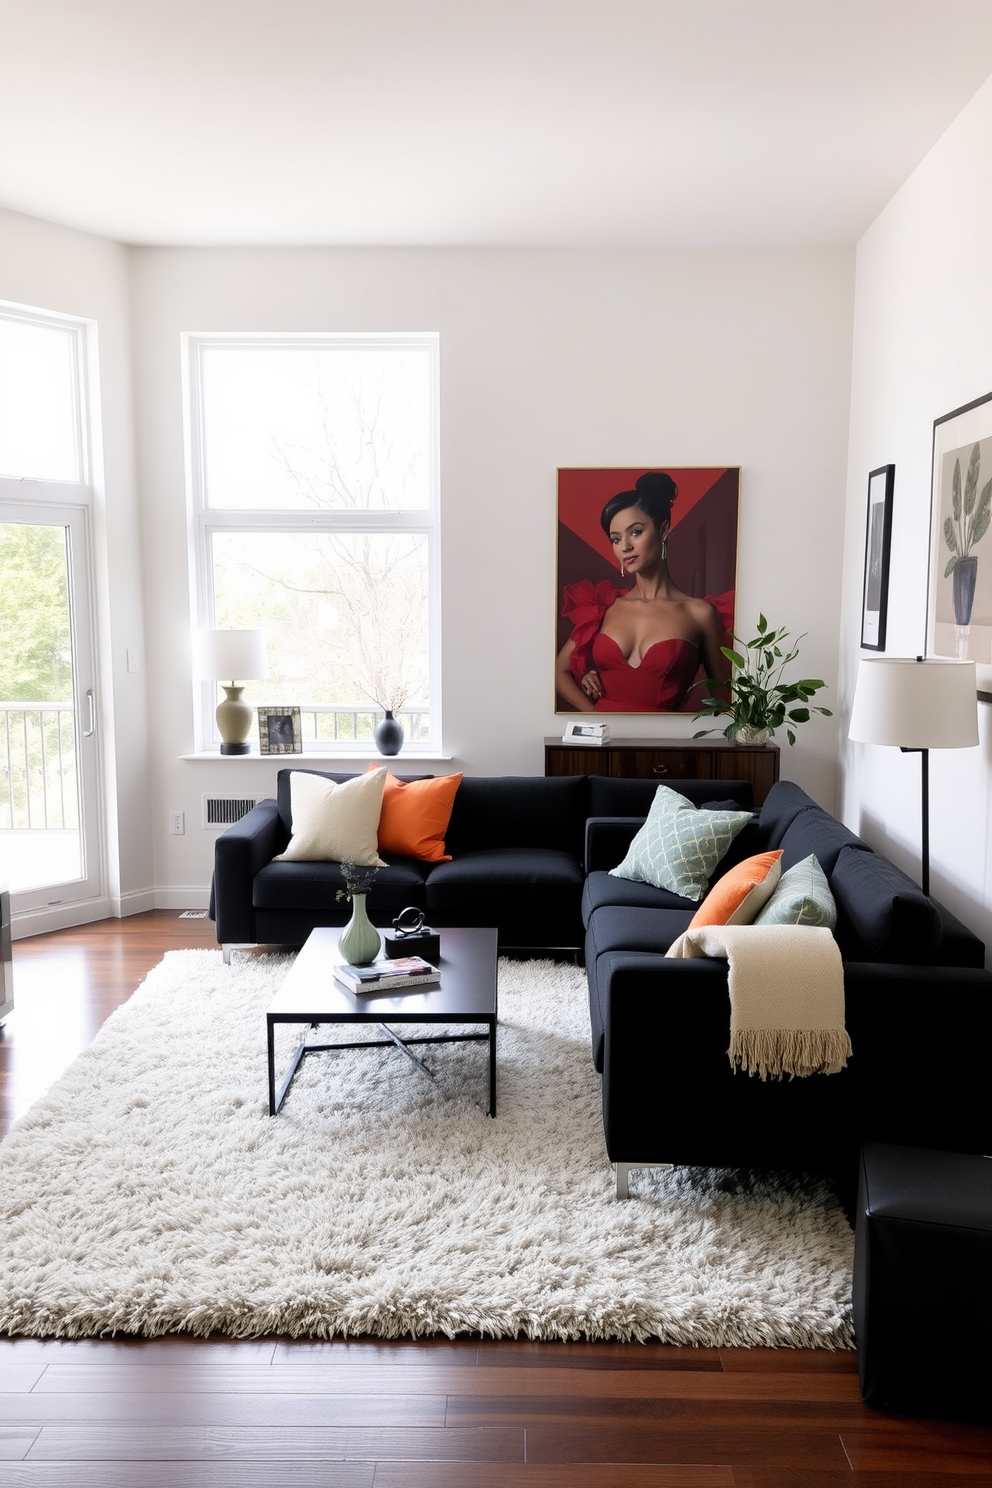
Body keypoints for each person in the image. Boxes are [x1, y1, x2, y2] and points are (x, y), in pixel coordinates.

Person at [555, 471, 730, 713]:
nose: (625, 546)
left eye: (635, 532)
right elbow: (560, 671)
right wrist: (593, 716)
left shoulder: (699, 613)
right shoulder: (604, 607)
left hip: (663, 745)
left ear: (663, 529)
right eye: (616, 539)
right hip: (602, 745)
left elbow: (724, 699)